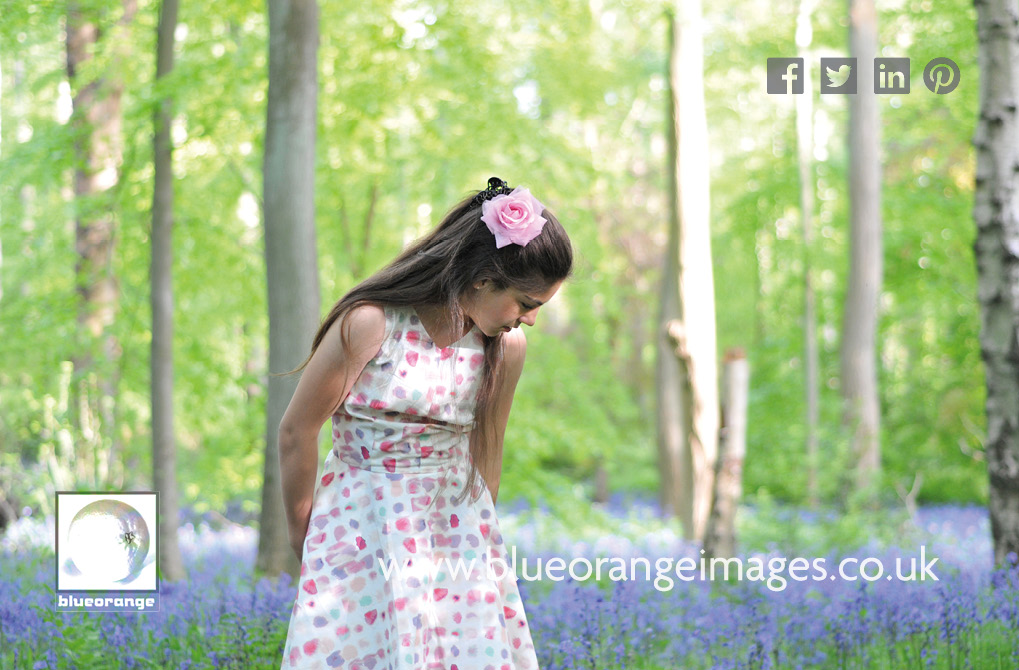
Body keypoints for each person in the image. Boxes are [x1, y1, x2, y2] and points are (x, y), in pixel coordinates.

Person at [278, 177, 573, 670]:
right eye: (526, 304)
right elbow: (297, 430)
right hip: (361, 522)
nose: (530, 320)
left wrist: (477, 542)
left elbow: (487, 452)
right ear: (483, 278)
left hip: (453, 532)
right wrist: (303, 533)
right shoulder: (371, 324)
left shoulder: (504, 350)